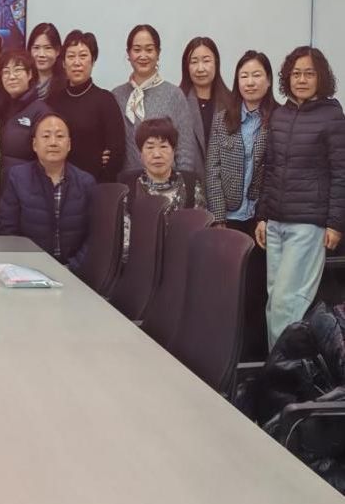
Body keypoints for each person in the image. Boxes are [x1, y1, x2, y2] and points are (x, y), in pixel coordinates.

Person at [256, 46, 345, 348]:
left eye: (309, 73)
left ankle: (279, 371)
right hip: (276, 223)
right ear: (287, 78)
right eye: (296, 74)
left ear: (321, 78)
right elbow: (269, 169)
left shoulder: (332, 117)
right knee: (275, 303)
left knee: (287, 304)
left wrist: (335, 223)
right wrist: (263, 216)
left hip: (308, 225)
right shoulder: (280, 115)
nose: (302, 79)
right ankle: (282, 367)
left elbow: (341, 172)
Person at [204, 50, 276, 361]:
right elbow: (213, 169)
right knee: (228, 289)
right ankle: (224, 357)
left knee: (257, 291)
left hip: (262, 220)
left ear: (268, 80)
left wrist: (266, 215)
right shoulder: (223, 119)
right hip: (230, 217)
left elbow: (277, 172)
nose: (250, 82)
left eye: (257, 75)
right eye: (244, 76)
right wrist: (219, 217)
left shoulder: (279, 120)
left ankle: (254, 359)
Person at [0, 113, 96, 271]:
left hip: (74, 272)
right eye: (46, 136)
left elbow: (94, 235)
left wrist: (73, 268)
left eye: (60, 136)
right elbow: (8, 231)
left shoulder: (86, 182)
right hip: (27, 270)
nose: (53, 142)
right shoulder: (17, 177)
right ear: (35, 144)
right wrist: (28, 268)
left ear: (69, 144)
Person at [111, 24, 198, 174]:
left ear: (158, 53)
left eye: (149, 50)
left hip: (168, 183)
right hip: (127, 182)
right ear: (129, 54)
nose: (143, 56)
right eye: (137, 50)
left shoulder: (174, 95)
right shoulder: (117, 96)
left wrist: (183, 182)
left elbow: (185, 150)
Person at [48, 29, 126, 182]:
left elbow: (116, 152)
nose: (77, 63)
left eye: (83, 56)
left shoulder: (105, 100)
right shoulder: (53, 101)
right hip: (56, 183)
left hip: (95, 184)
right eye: (71, 56)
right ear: (63, 63)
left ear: (93, 61)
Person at [122, 117, 205, 256]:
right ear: (140, 153)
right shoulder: (128, 187)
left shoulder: (191, 184)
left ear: (174, 150)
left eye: (163, 147)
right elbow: (125, 244)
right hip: (140, 262)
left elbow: (199, 235)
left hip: (182, 261)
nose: (157, 155)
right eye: (150, 147)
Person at [180, 36, 233, 176]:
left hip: (224, 185)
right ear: (186, 66)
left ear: (216, 63)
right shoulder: (177, 101)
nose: (200, 68)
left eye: (206, 60)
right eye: (194, 62)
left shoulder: (232, 103)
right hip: (188, 182)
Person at [0, 49, 50, 171]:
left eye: (18, 70)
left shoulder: (41, 112)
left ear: (29, 74)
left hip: (27, 180)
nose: (11, 77)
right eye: (6, 72)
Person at [28, 22, 66, 100]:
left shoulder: (66, 86)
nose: (41, 54)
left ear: (58, 51)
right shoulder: (24, 83)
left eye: (48, 48)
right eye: (36, 48)